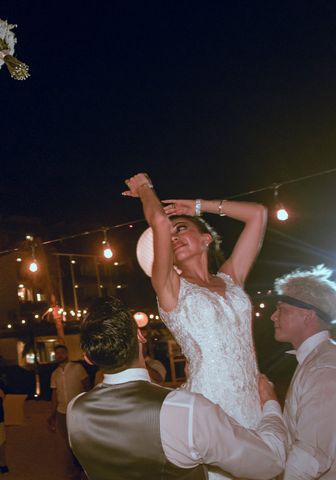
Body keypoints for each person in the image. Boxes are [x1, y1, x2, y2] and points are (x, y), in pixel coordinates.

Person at [123, 173, 267, 479]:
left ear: (206, 239)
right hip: (210, 408)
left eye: (182, 229)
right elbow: (159, 224)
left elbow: (258, 215)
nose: (173, 236)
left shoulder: (231, 278)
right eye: (170, 234)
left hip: (254, 404)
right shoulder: (170, 286)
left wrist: (198, 206)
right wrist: (145, 188)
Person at [67, 296, 288, 480]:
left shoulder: (75, 411)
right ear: (140, 336)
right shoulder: (188, 410)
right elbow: (270, 462)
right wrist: (270, 403)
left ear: (88, 358)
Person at [270, 265, 336, 479]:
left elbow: (311, 456)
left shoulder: (323, 368)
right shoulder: (314, 360)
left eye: (281, 309)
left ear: (308, 315)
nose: (273, 316)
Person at [47, 344, 88, 480]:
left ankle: (85, 467)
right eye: (57, 353)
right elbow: (54, 394)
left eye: (62, 352)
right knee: (68, 443)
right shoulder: (54, 373)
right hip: (62, 412)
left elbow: (87, 386)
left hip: (77, 410)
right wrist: (52, 414)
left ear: (66, 353)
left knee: (80, 440)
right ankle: (76, 469)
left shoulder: (78, 368)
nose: (59, 355)